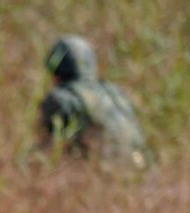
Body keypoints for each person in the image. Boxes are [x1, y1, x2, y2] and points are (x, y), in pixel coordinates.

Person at [38, 35, 149, 167]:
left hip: (101, 168)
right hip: (138, 166)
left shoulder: (61, 98)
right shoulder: (114, 92)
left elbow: (48, 145)